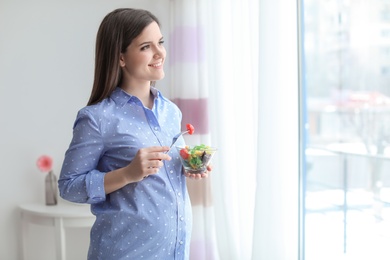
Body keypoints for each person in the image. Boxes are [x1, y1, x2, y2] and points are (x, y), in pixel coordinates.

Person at [58, 8, 211, 260]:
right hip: (125, 252)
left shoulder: (170, 111)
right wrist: (127, 173)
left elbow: (170, 167)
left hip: (174, 252)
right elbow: (68, 186)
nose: (160, 52)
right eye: (145, 47)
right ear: (121, 58)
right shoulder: (98, 118)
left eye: (160, 42)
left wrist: (190, 166)